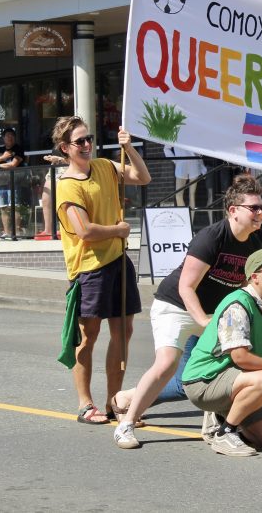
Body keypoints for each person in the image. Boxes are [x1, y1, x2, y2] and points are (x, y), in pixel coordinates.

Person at [111, 173, 262, 446]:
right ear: (233, 211)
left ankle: (212, 420)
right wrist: (203, 321)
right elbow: (186, 286)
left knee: (226, 364)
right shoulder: (211, 237)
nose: (260, 212)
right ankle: (125, 425)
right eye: (253, 208)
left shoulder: (261, 241)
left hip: (215, 312)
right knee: (166, 365)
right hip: (176, 306)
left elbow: (249, 282)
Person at [116, 249, 262, 453]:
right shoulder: (238, 305)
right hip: (206, 380)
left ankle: (222, 416)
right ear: (254, 277)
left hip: (238, 380)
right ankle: (225, 433)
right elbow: (240, 356)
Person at [53, 115, 151, 427]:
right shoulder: (67, 187)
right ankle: (85, 404)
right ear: (65, 148)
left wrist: (129, 147)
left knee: (124, 332)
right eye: (79, 141)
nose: (86, 145)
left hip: (118, 262)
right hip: (89, 268)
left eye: (89, 138)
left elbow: (142, 176)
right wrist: (119, 229)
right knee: (88, 336)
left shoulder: (107, 166)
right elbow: (85, 231)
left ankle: (115, 402)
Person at [0, 127, 25, 238]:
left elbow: (13, 164)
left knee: (15, 206)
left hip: (14, 181)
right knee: (3, 207)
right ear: (3, 138)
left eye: (11, 136)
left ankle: (17, 231)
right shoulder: (0, 150)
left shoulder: (18, 149)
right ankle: (7, 232)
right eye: (7, 136)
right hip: (1, 183)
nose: (9, 138)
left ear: (14, 137)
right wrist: (3, 157)